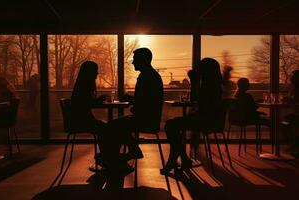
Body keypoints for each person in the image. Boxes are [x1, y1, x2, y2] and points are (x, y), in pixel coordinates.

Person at [98, 48, 164, 176]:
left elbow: (143, 103)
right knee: (118, 125)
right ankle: (123, 156)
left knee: (111, 127)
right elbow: (147, 101)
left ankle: (114, 159)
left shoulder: (146, 77)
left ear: (142, 60)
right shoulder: (151, 76)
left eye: (135, 60)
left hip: (145, 120)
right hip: (149, 119)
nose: (133, 62)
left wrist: (131, 101)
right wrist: (133, 101)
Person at [162, 58, 223, 174]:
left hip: (204, 120)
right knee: (173, 125)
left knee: (171, 125)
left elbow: (197, 101)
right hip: (209, 120)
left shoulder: (209, 86)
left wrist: (194, 82)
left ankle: (175, 159)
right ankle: (181, 159)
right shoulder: (215, 85)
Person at [69, 61, 106, 134]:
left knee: (109, 127)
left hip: (77, 121)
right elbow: (87, 103)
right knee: (110, 127)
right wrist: (98, 100)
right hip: (82, 122)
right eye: (95, 70)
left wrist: (98, 100)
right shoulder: (83, 86)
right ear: (90, 72)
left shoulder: (81, 85)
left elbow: (86, 102)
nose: (97, 73)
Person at [281, 70, 299, 157]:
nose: (291, 78)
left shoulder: (297, 89)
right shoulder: (295, 88)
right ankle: (294, 145)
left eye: (293, 77)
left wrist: (289, 100)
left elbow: (296, 102)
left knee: (288, 122)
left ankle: (294, 145)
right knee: (286, 120)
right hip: (297, 114)